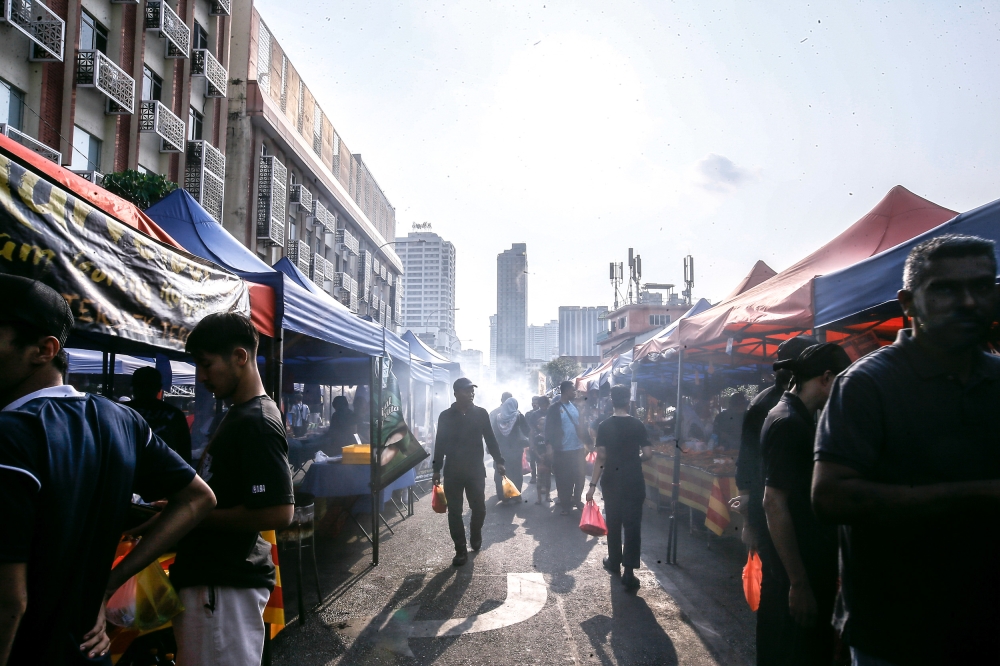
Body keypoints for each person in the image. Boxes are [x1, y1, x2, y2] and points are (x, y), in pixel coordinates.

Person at [0, 275, 216, 665]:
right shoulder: (121, 420)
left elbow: (9, 601)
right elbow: (197, 498)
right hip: (88, 650)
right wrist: (106, 586)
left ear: (44, 350)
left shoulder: (13, 433)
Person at [813, 235, 1000, 665]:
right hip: (895, 632)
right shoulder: (867, 384)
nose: (969, 302)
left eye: (982, 286)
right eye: (945, 289)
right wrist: (981, 494)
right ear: (908, 303)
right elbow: (830, 497)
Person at [168, 313, 295, 666]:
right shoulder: (240, 413)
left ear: (240, 357)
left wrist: (194, 516)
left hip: (222, 589)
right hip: (215, 586)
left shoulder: (257, 421)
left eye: (206, 364)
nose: (201, 376)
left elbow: (278, 511)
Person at [760, 343, 851, 665]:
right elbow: (774, 503)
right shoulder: (789, 423)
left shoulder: (794, 414)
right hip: (800, 566)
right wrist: (798, 584)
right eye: (842, 381)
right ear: (826, 378)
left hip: (801, 563)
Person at [729, 335, 815, 666]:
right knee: (777, 592)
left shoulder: (793, 403)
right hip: (774, 513)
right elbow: (748, 462)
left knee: (779, 595)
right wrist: (750, 519)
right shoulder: (772, 406)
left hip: (784, 512)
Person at [432, 378, 506, 566]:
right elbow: (439, 443)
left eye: (472, 391)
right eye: (467, 391)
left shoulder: (481, 413)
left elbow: (490, 439)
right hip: (453, 472)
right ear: (456, 393)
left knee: (479, 508)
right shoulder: (445, 416)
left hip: (475, 471)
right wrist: (436, 469)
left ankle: (475, 533)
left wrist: (499, 460)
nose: (471, 394)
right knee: (454, 512)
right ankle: (460, 550)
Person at [587, 385, 653, 591]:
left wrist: (592, 486)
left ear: (611, 401)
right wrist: (634, 459)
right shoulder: (638, 424)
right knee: (632, 525)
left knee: (614, 521)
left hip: (611, 480)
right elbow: (648, 454)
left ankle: (614, 561)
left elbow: (601, 457)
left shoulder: (604, 426)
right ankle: (629, 572)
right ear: (628, 401)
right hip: (633, 479)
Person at [131, 366, 194, 464]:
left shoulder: (120, 411)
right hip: (163, 469)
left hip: (127, 469)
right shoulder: (175, 414)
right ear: (159, 388)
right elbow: (185, 453)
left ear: (133, 387)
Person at [546, 381, 588, 515]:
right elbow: (549, 428)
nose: (575, 393)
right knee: (564, 479)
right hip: (562, 451)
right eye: (573, 390)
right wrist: (549, 446)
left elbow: (581, 426)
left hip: (578, 449)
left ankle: (577, 500)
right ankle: (565, 504)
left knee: (580, 476)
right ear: (565, 391)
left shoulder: (575, 406)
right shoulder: (554, 408)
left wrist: (588, 442)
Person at [491, 397, 530, 505]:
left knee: (501, 472)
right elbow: (527, 431)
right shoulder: (518, 416)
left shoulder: (498, 418)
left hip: (501, 450)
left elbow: (493, 434)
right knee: (516, 472)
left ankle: (504, 496)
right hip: (516, 450)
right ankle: (516, 496)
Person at [529, 396, 553, 504]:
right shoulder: (534, 415)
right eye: (542, 405)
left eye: (545, 405)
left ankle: (547, 493)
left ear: (548, 404)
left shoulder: (551, 413)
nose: (543, 407)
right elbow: (531, 430)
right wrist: (531, 444)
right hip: (538, 444)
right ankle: (536, 481)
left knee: (548, 472)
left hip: (549, 443)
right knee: (538, 467)